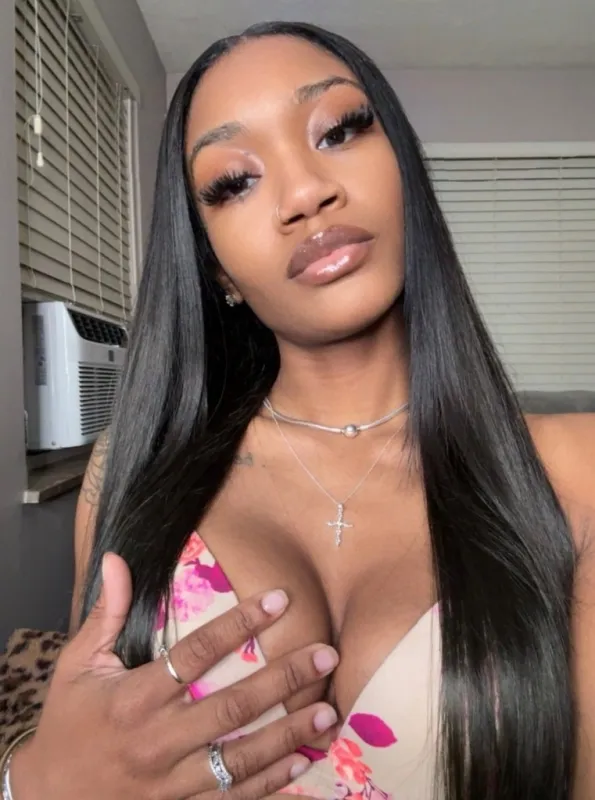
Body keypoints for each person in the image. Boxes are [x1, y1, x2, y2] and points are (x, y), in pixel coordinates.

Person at [4, 19, 595, 800]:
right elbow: (85, 731)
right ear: (216, 269)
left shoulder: (575, 469)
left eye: (339, 130)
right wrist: (30, 781)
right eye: (233, 182)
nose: (305, 193)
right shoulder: (132, 468)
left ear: (405, 174)